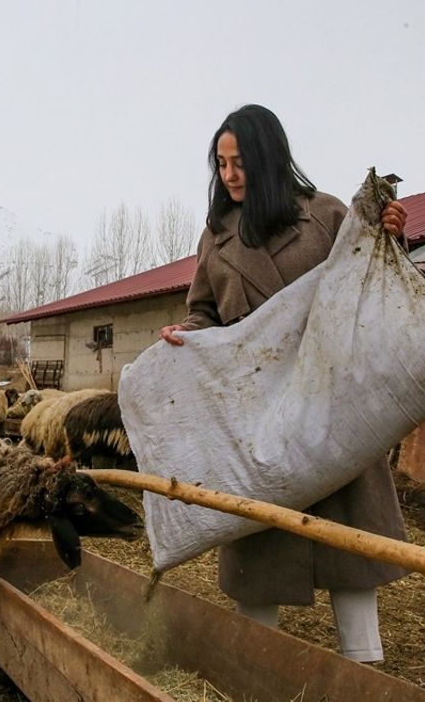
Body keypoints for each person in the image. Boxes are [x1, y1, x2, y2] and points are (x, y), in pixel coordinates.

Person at [159, 104, 409, 664]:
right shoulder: (217, 237)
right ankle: (257, 670)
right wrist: (187, 333)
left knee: (351, 548)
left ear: (268, 157)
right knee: (259, 548)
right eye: (221, 164)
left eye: (240, 161)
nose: (229, 175)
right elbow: (204, 312)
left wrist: (393, 238)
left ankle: (365, 669)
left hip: (334, 409)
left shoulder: (324, 216)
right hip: (260, 420)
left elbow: (371, 282)